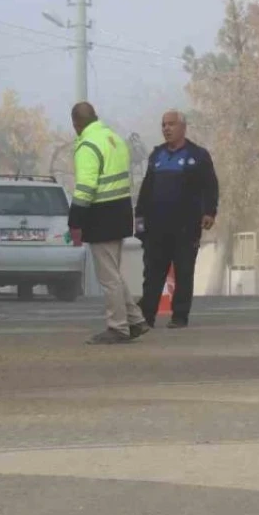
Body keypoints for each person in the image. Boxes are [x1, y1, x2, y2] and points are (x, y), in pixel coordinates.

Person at [68, 102, 149, 344]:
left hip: (101, 215)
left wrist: (75, 222)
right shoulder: (114, 139)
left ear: (76, 124)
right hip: (120, 210)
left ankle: (118, 327)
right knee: (114, 272)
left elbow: (85, 188)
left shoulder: (87, 145)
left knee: (108, 277)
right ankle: (135, 320)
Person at [135, 109, 219, 329]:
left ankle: (179, 316)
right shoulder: (157, 156)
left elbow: (210, 186)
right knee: (153, 273)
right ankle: (147, 316)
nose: (166, 129)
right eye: (163, 125)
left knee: (183, 271)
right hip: (156, 227)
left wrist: (210, 211)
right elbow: (145, 191)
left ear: (183, 127)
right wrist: (139, 220)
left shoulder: (198, 156)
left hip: (186, 226)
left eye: (171, 124)